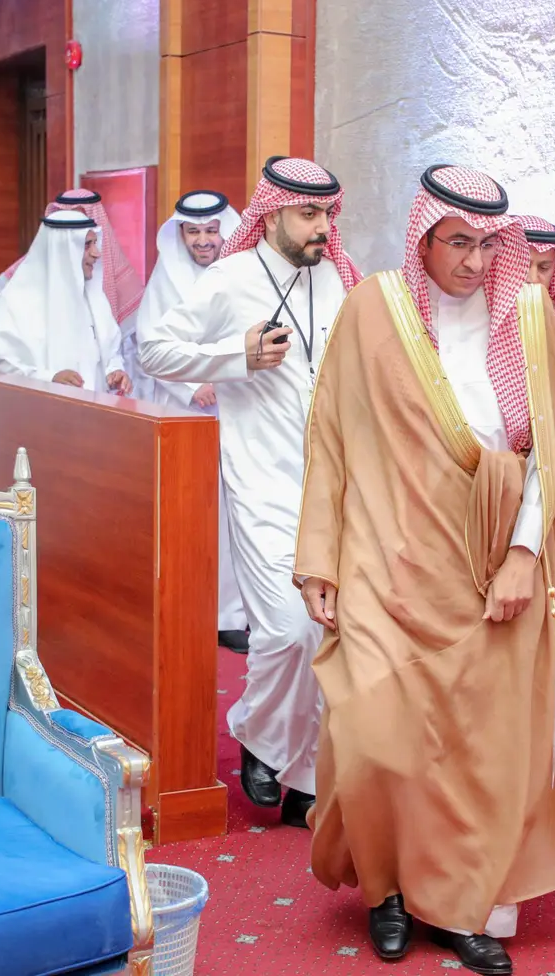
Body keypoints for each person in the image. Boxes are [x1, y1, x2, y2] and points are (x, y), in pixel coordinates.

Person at [295, 165, 555, 975]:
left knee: (476, 750)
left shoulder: (531, 320)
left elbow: (552, 453)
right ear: (423, 238)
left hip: (491, 565)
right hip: (382, 560)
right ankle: (384, 890)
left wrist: (523, 555)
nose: (475, 262)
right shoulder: (371, 311)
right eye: (459, 242)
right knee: (374, 735)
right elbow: (330, 437)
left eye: (488, 245)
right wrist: (319, 558)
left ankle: (458, 905)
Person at [137, 157, 361, 828]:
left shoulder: (338, 278)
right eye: (309, 214)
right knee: (287, 629)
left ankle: (307, 780)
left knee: (327, 630)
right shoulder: (231, 278)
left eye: (328, 215)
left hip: (335, 485)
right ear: (271, 215)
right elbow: (154, 347)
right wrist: (234, 356)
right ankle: (259, 733)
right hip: (262, 480)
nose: (322, 228)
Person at [138, 190, 248, 646]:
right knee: (200, 514)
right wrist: (192, 384)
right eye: (193, 232)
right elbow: (149, 348)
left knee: (240, 512)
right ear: (179, 235)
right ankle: (206, 613)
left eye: (211, 231)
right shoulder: (165, 281)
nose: (203, 240)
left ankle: (236, 613)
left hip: (243, 408)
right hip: (188, 414)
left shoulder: (241, 274)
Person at [0, 189, 148, 398]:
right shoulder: (15, 301)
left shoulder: (95, 298)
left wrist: (114, 371)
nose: (97, 253)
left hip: (93, 410)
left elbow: (110, 351)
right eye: (87, 245)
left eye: (95, 243)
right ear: (62, 249)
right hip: (39, 410)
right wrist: (49, 378)